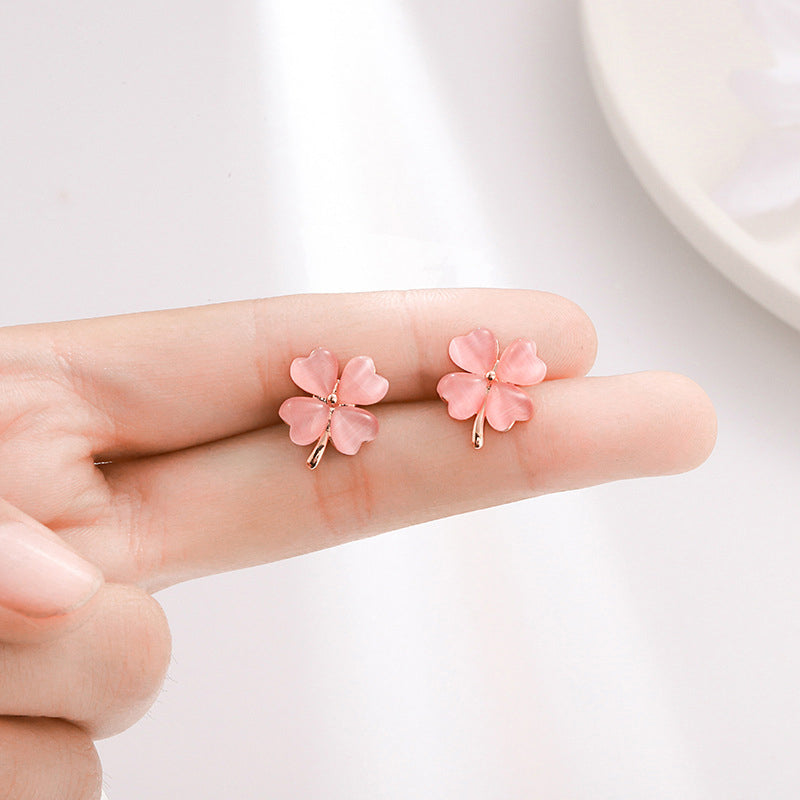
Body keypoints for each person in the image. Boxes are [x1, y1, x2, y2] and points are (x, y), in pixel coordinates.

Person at [0, 288, 716, 799]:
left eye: (493, 377)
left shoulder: (448, 396)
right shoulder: (329, 407)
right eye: (485, 375)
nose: (490, 377)